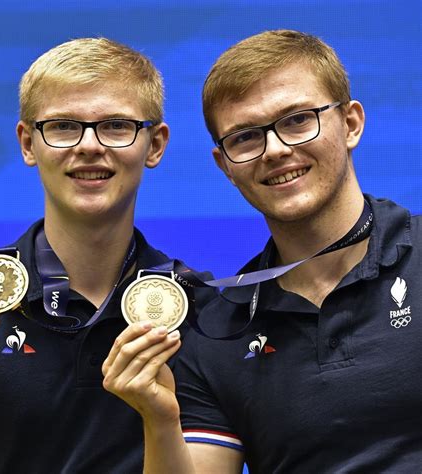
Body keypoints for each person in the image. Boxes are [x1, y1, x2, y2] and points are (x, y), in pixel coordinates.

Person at [102, 29, 422, 473]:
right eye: (246, 137)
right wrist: (160, 419)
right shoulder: (216, 330)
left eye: (297, 120)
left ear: (350, 123)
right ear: (225, 165)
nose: (275, 150)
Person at [0, 37, 215, 474]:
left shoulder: (204, 313)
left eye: (115, 125)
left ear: (156, 144)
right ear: (28, 143)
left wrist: (160, 420)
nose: (89, 145)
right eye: (64, 126)